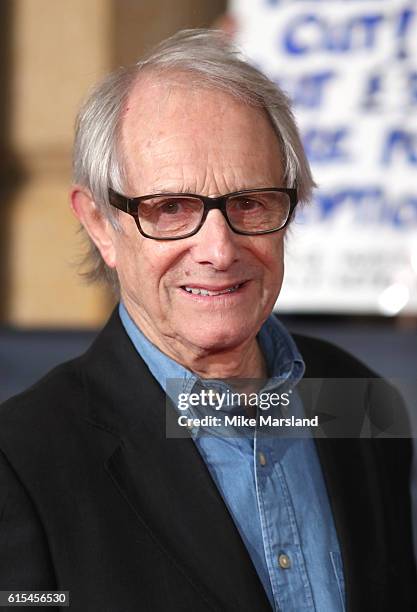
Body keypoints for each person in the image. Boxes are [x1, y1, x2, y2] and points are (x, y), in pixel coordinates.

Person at [0, 29, 415, 612]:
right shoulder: (20, 463)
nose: (218, 250)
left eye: (250, 202)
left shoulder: (359, 399)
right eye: (170, 208)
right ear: (99, 224)